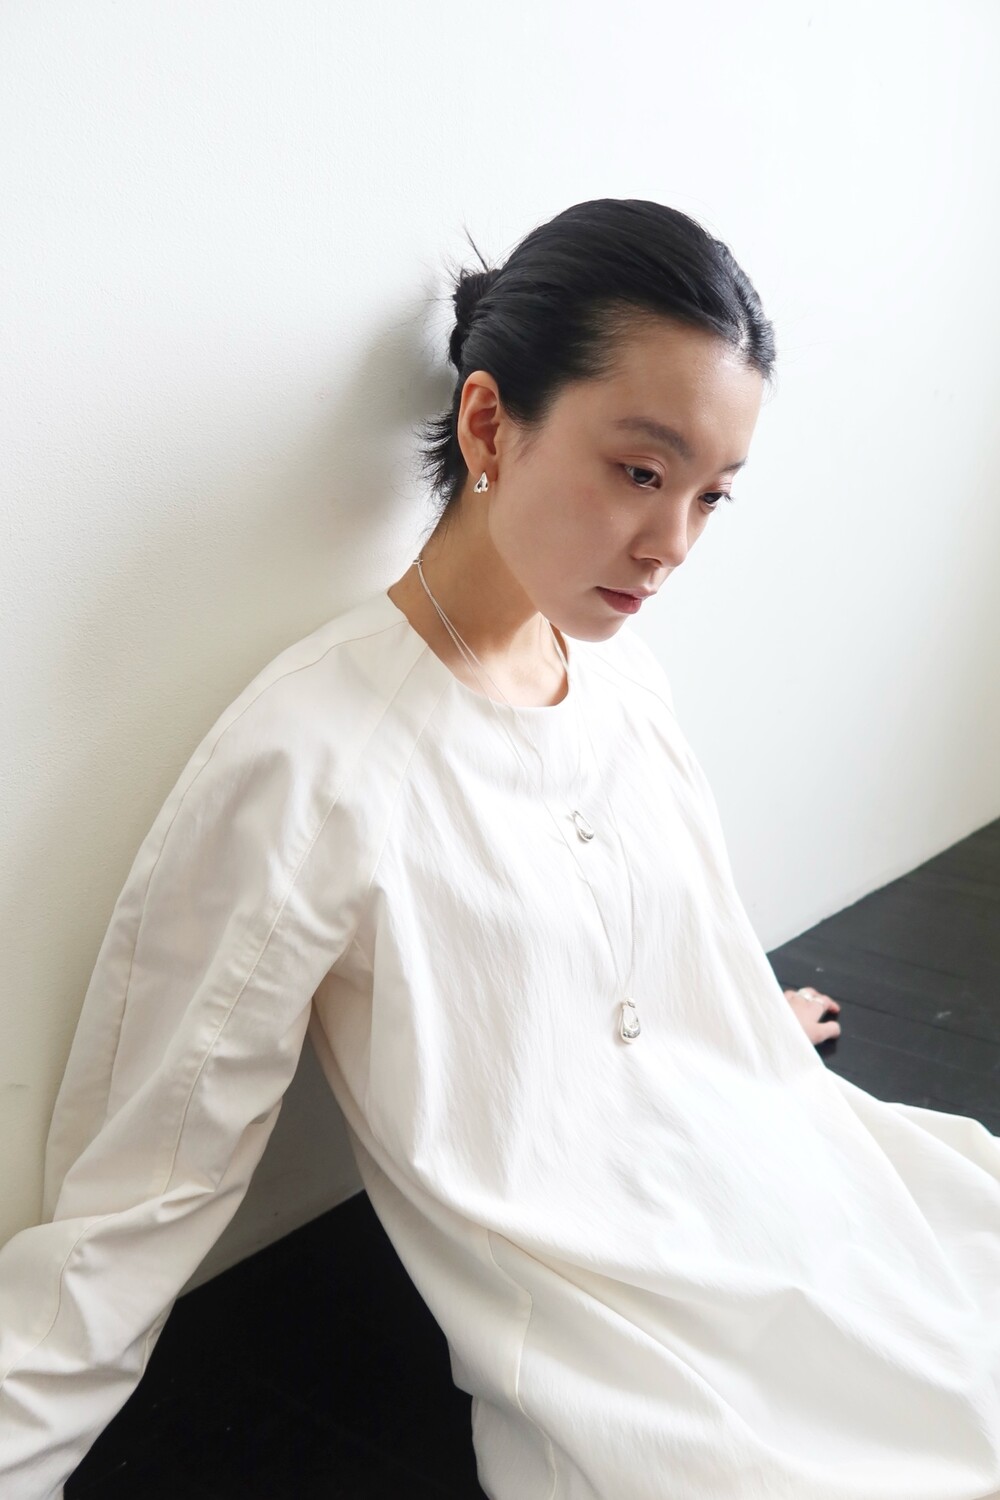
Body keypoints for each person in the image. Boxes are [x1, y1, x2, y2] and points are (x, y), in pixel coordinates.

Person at [0, 198, 997, 1500]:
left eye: (711, 496)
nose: (672, 546)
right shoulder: (310, 762)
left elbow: (655, 932)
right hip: (628, 1336)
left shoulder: (618, 677)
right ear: (486, 424)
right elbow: (143, 1193)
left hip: (780, 1181)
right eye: (640, 473)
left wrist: (738, 1021)